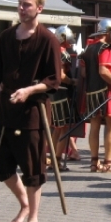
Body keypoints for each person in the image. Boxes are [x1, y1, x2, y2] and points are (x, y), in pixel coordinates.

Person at [0, 0, 62, 222]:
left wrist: (29, 90)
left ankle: (34, 220)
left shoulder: (48, 39)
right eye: (19, 3)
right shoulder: (6, 37)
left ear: (39, 8)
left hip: (32, 113)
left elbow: (53, 80)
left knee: (32, 168)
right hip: (5, 109)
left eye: (26, 4)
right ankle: (24, 203)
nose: (21, 8)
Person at [79, 19, 111, 172]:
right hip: (105, 91)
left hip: (91, 91)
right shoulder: (105, 48)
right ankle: (108, 163)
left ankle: (93, 162)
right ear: (109, 31)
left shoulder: (89, 48)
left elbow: (83, 73)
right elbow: (103, 71)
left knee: (95, 126)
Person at [49, 25, 78, 171]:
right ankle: (56, 160)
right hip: (62, 93)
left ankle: (55, 159)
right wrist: (73, 81)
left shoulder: (51, 51)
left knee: (58, 128)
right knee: (64, 128)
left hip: (54, 93)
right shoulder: (62, 53)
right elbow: (60, 76)